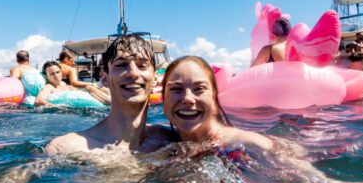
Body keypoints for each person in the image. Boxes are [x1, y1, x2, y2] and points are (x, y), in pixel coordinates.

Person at [46, 34, 174, 154]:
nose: (133, 73)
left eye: (142, 65)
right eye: (121, 65)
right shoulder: (67, 148)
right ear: (105, 78)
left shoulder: (172, 139)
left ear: (155, 79)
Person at [162, 56, 273, 151]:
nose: (187, 98)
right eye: (176, 89)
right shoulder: (161, 141)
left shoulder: (249, 144)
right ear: (164, 99)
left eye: (199, 88)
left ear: (214, 98)